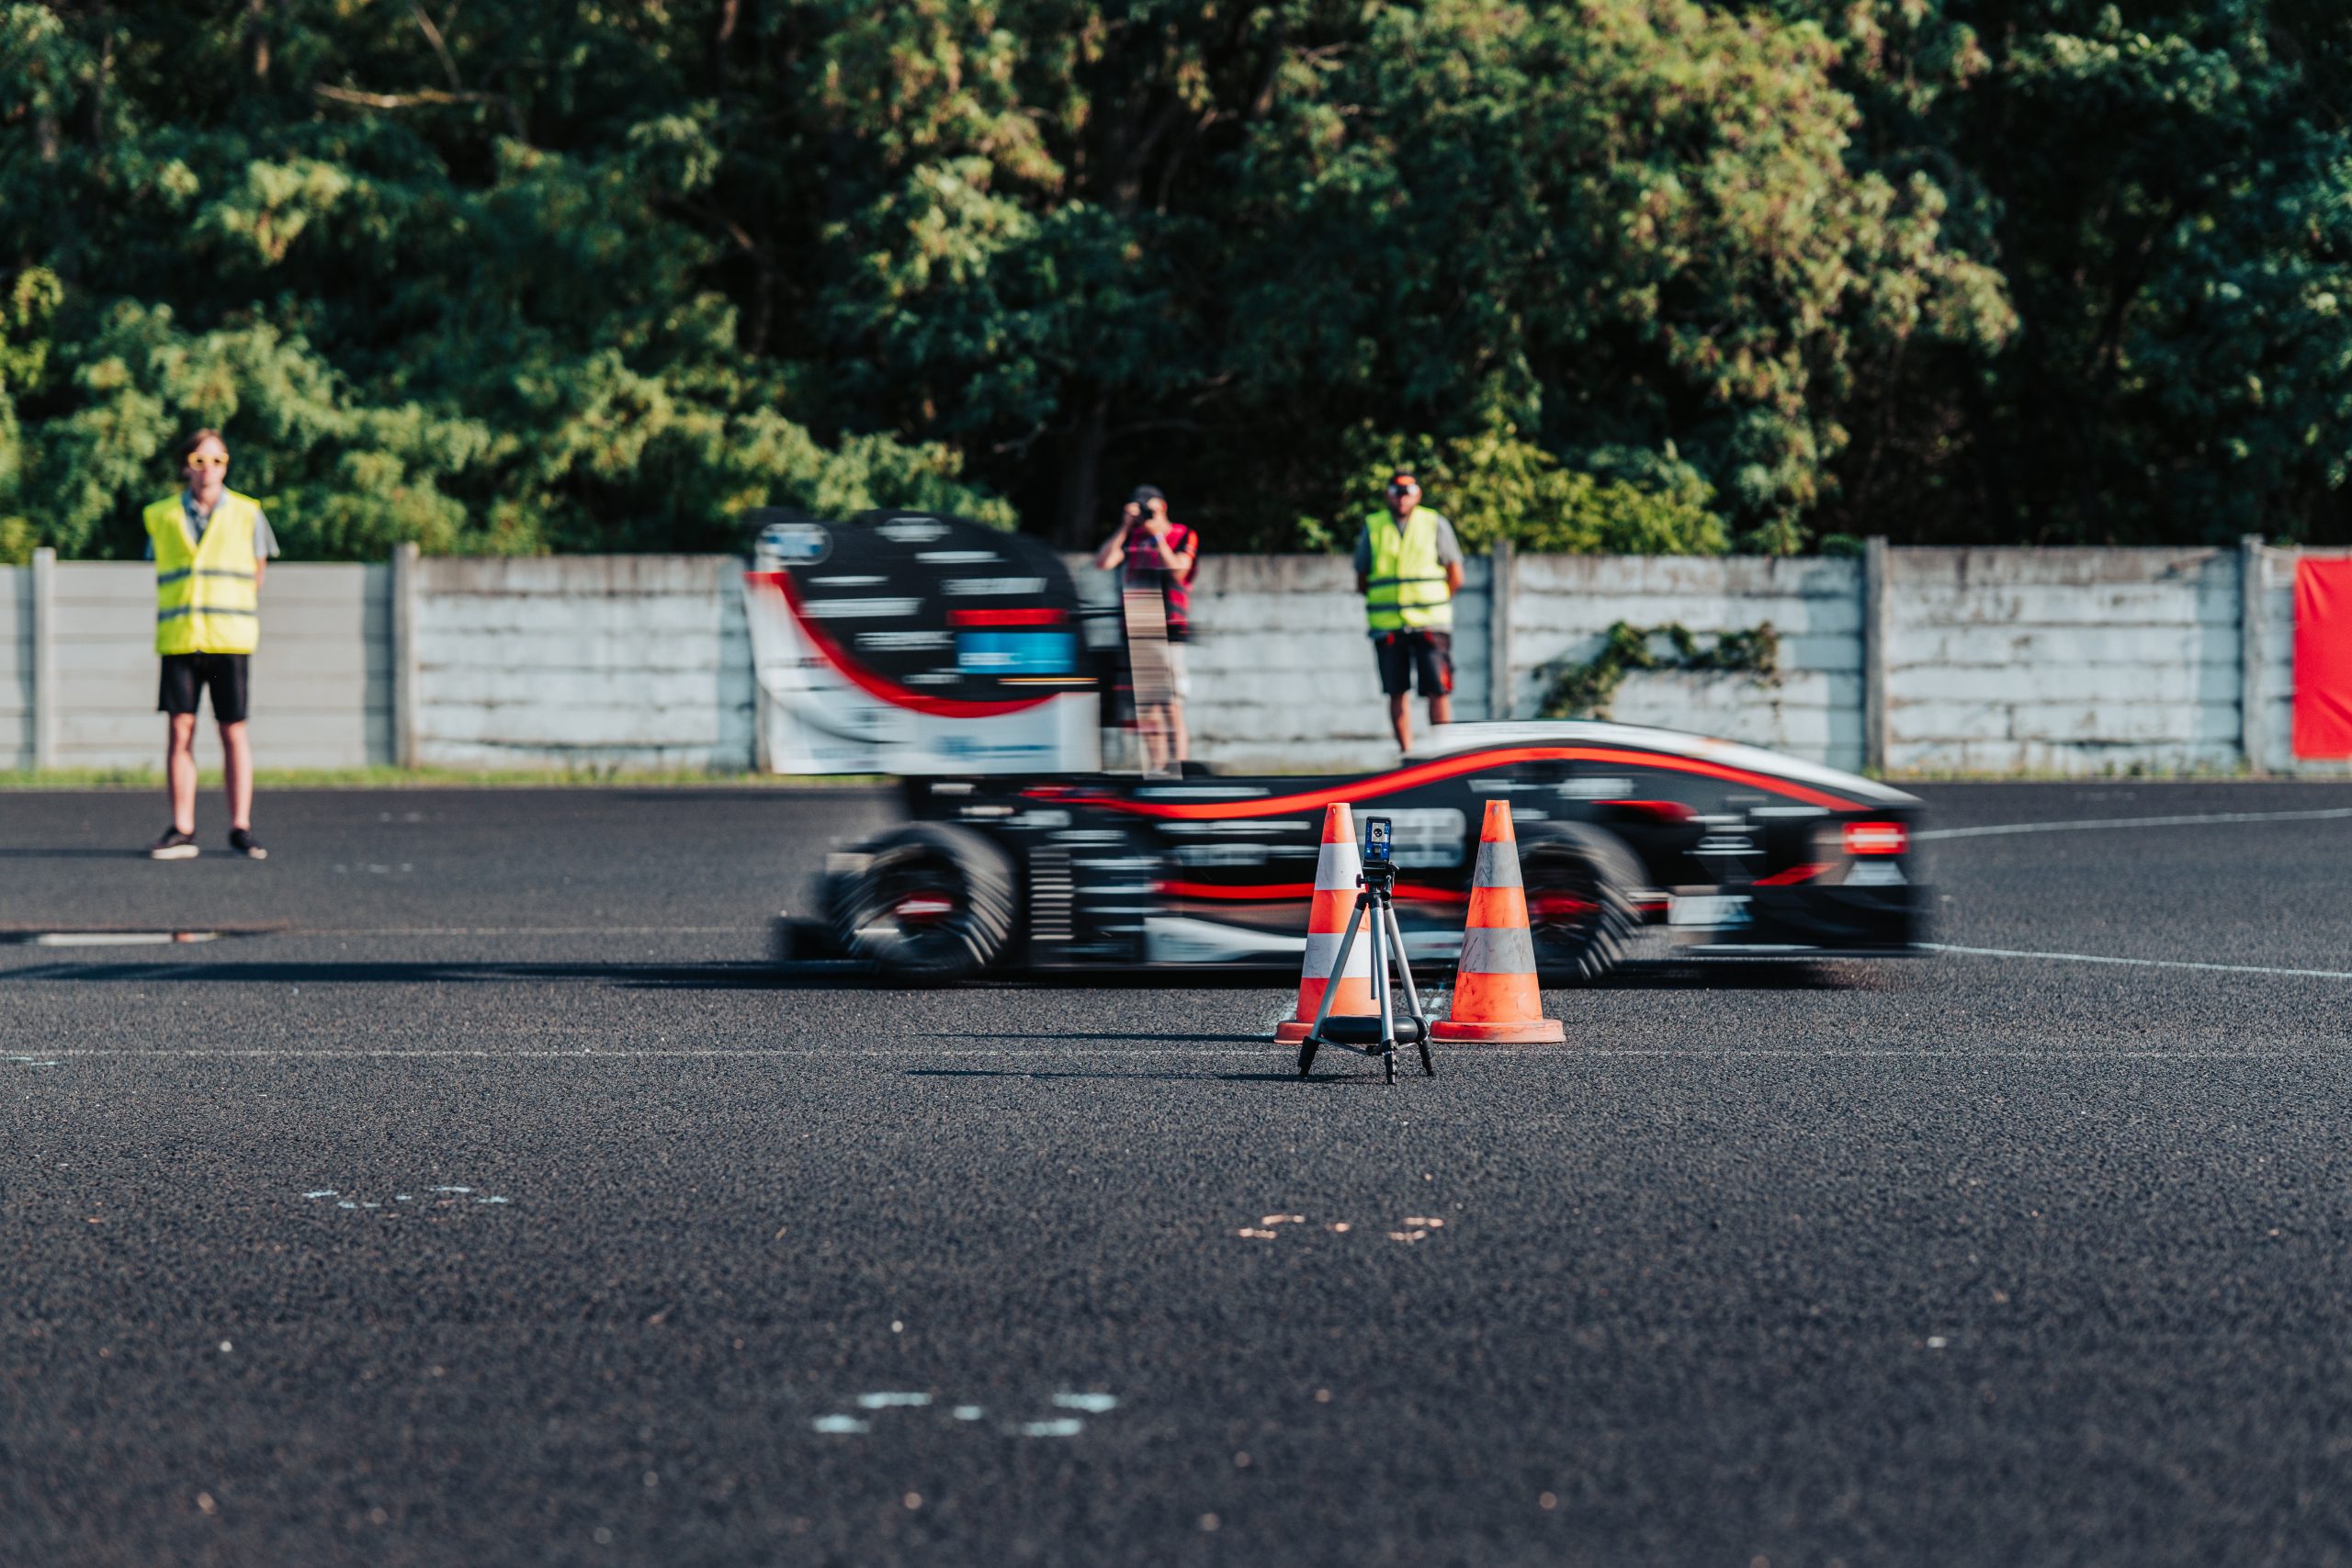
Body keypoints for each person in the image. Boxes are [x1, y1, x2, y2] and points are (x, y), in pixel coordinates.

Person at [144, 428, 278, 860]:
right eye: (200, 461)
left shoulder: (247, 513)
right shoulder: (162, 515)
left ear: (226, 465)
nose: (208, 470)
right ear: (186, 465)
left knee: (232, 729)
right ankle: (182, 828)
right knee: (180, 730)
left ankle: (241, 827)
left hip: (227, 641)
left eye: (217, 461)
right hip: (181, 639)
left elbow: (258, 574)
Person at [1355, 469, 1464, 752]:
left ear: (1418, 494)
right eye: (1395, 492)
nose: (1401, 499)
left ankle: (1441, 756)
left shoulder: (1434, 523)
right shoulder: (1374, 526)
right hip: (1388, 624)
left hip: (1431, 623)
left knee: (1438, 690)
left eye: (1407, 492)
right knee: (1396, 691)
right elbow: (1362, 578)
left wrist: (1433, 601)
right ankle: (1407, 756)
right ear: (1387, 494)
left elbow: (1456, 574)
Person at [1093, 485, 1199, 773]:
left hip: (1169, 629)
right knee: (1148, 708)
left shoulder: (1182, 534)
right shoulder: (1132, 538)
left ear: (1162, 506)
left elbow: (1179, 570)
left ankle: (1179, 767)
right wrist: (1124, 528)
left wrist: (1157, 537)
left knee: (1171, 704)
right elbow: (1103, 562)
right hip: (1136, 627)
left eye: (1148, 508)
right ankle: (1158, 769)